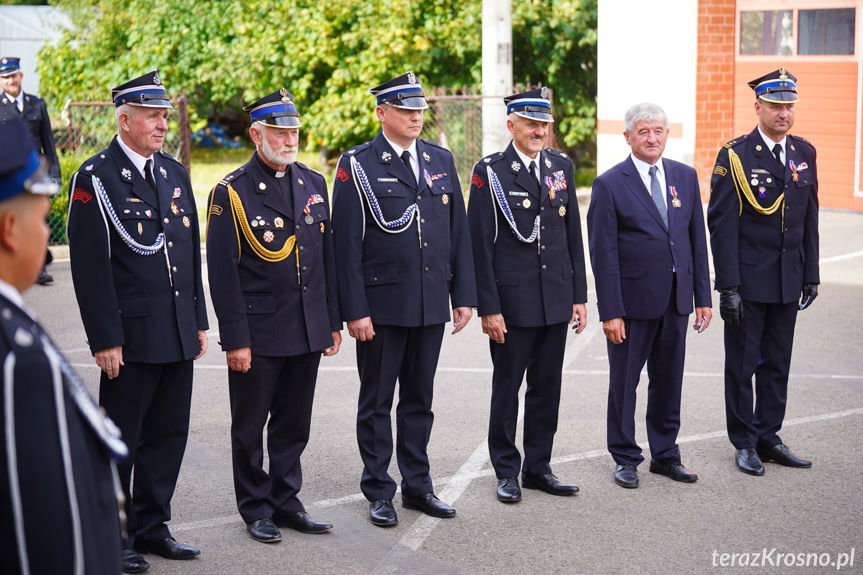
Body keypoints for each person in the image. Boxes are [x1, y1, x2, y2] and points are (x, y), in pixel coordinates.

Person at [66, 70, 209, 573]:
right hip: (129, 335)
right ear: (124, 119)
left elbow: (189, 253)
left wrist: (198, 319)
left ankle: (153, 526)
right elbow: (89, 265)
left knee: (168, 434)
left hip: (175, 330)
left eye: (165, 115)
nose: (162, 124)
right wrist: (105, 338)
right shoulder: (95, 177)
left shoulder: (172, 172)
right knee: (123, 437)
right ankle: (115, 532)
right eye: (153, 115)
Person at [331, 71, 476, 527]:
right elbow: (345, 245)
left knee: (419, 399)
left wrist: (463, 294)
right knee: (376, 401)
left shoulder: (439, 159)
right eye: (406, 109)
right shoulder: (357, 164)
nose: (417, 116)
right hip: (382, 307)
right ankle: (378, 489)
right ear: (382, 113)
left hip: (429, 301)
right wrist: (354, 309)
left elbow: (458, 233)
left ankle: (418, 485)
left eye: (420, 109)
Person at [206, 89, 342, 544]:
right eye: (280, 132)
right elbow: (223, 274)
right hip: (259, 329)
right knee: (250, 427)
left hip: (306, 326)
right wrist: (236, 340)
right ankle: (255, 507)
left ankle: (287, 501)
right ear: (256, 134)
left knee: (293, 422)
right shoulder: (231, 191)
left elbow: (326, 261)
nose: (289, 140)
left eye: (294, 131)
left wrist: (330, 322)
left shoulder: (312, 182)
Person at [0, 118, 127, 574]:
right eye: (40, 219)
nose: (48, 244)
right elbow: (53, 526)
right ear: (11, 230)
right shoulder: (19, 359)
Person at [467, 88, 588, 503]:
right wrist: (489, 307)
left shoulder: (560, 167)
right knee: (507, 389)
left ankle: (539, 467)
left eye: (544, 124)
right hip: (512, 304)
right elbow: (479, 245)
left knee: (546, 388)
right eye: (532, 123)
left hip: (554, 298)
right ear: (511, 125)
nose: (539, 131)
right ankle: (506, 470)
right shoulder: (491, 171)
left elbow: (573, 234)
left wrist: (578, 295)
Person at [587, 102, 712, 489]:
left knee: (669, 381)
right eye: (643, 131)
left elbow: (695, 240)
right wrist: (611, 311)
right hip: (631, 306)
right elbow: (602, 253)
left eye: (658, 130)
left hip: (676, 302)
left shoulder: (684, 177)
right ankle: (625, 457)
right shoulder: (609, 184)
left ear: (667, 134)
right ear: (628, 137)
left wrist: (702, 297)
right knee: (625, 384)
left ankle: (665, 454)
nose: (652, 137)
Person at [707, 68, 819, 476]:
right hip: (749, 281)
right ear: (758, 107)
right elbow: (722, 225)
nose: (783, 113)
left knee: (777, 363)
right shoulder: (735, 155)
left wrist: (812, 272)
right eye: (775, 106)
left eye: (789, 106)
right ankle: (745, 442)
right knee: (742, 365)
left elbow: (810, 218)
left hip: (789, 277)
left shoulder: (804, 153)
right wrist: (729, 287)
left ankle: (769, 436)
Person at [0, 56, 61, 285]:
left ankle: (39, 268)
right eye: (5, 77)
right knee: (13, 219)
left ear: (21, 76)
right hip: (11, 176)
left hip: (37, 172)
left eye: (13, 76)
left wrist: (54, 173)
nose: (10, 81)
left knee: (39, 218)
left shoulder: (38, 104)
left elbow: (48, 142)